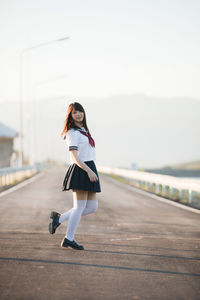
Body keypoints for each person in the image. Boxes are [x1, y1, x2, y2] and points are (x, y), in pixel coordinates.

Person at [48, 102, 101, 250]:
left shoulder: (83, 130)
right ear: (70, 116)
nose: (78, 114)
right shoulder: (72, 132)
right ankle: (68, 239)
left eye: (80, 111)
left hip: (90, 166)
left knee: (92, 207)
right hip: (81, 169)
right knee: (79, 207)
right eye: (75, 112)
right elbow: (75, 157)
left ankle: (60, 218)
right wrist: (88, 171)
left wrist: (92, 170)